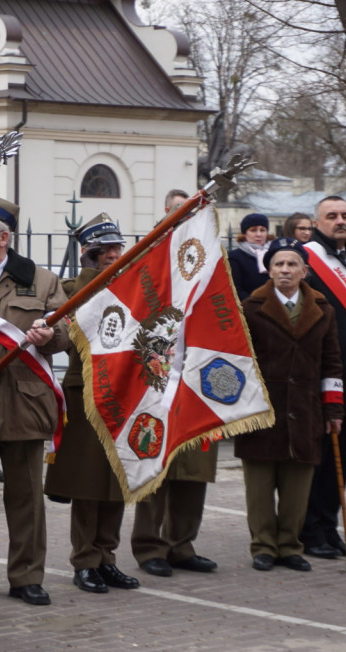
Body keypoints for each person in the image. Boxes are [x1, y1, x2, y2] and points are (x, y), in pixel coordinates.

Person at [0, 193, 69, 607]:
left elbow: (66, 332)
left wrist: (49, 336)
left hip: (24, 400)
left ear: (3, 239)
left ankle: (26, 576)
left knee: (25, 500)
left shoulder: (40, 280)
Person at [44, 214, 140, 594]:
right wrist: (90, 276)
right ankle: (84, 560)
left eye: (118, 248)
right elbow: (67, 330)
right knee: (87, 482)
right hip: (85, 392)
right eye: (105, 250)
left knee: (117, 480)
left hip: (126, 392)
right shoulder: (73, 289)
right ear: (90, 253)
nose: (114, 255)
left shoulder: (133, 287)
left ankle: (107, 557)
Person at [236, 238, 343, 572]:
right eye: (279, 264)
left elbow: (332, 362)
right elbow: (237, 360)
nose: (285, 270)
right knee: (260, 487)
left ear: (304, 271)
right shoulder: (250, 307)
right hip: (261, 410)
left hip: (306, 408)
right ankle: (264, 546)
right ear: (269, 270)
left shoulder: (323, 309)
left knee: (298, 488)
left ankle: (290, 545)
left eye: (292, 264)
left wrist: (334, 410)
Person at [131, 193, 219, 579]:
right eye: (179, 212)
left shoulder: (212, 260)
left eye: (193, 212)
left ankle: (182, 544)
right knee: (155, 464)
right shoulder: (148, 260)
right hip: (155, 375)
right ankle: (149, 546)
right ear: (166, 215)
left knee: (194, 468)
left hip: (197, 374)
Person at [299, 196, 346, 559]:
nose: (340, 221)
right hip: (324, 375)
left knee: (342, 456)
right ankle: (310, 529)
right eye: (331, 216)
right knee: (320, 457)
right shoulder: (308, 260)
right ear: (317, 222)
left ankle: (328, 526)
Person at [228, 213, 272, 301]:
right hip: (249, 306)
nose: (258, 234)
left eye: (262, 230)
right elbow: (236, 289)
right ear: (245, 233)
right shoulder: (235, 257)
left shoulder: (274, 254)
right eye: (253, 230)